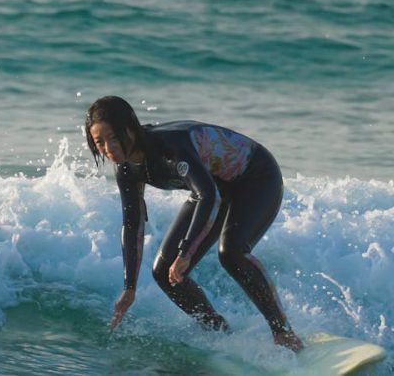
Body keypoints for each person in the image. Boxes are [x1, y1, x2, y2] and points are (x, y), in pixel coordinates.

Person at [85, 95, 303, 352]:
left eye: (113, 137)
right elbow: (132, 224)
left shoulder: (169, 146)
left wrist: (186, 252)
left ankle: (284, 333)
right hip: (216, 186)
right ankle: (218, 331)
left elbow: (207, 196)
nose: (109, 149)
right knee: (164, 271)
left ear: (130, 128)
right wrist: (129, 287)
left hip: (257, 175)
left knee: (232, 253)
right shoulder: (125, 169)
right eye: (100, 143)